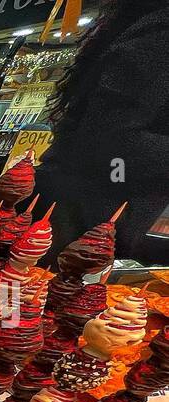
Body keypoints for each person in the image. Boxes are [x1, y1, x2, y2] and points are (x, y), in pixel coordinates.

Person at [35, 0, 169, 264]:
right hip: (80, 222)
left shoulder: (149, 28)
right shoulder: (160, 37)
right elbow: (110, 138)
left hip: (85, 218)